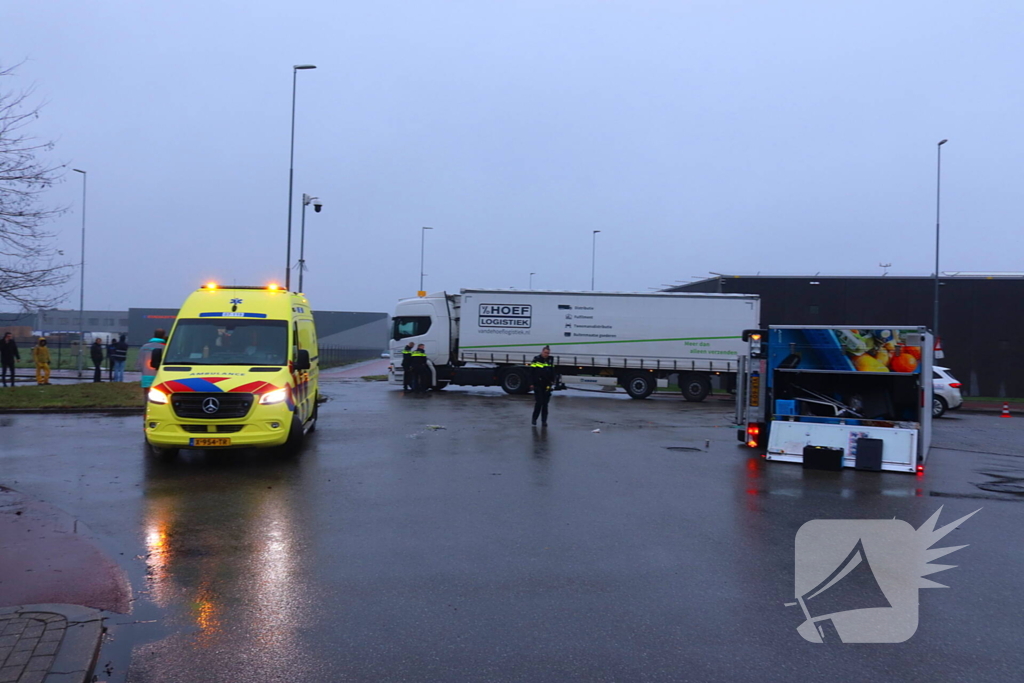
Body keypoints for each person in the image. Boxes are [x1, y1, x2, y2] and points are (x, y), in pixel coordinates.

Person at [529, 346, 556, 426]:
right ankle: (534, 419)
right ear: (542, 352)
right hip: (538, 384)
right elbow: (531, 372)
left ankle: (544, 421)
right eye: (545, 352)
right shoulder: (536, 359)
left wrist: (553, 381)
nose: (546, 354)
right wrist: (531, 383)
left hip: (547, 385)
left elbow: (552, 372)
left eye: (548, 353)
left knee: (545, 404)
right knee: (539, 403)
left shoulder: (550, 360)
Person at [137, 329, 167, 398]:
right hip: (159, 378)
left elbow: (139, 364)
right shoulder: (165, 347)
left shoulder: (144, 347)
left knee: (147, 398)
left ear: (154, 335)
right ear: (163, 336)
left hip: (146, 377)